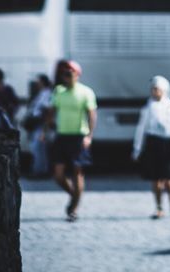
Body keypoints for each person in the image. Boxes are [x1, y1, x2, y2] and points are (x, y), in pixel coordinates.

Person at [132, 75, 170, 218]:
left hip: (168, 144)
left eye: (157, 89)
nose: (154, 92)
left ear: (164, 90)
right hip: (153, 144)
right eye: (152, 89)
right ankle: (159, 207)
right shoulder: (148, 108)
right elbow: (141, 129)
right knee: (156, 178)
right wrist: (137, 148)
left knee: (168, 178)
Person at [48, 59, 97, 221]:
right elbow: (52, 111)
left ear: (77, 75)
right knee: (58, 175)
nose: (67, 76)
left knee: (77, 173)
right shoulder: (58, 91)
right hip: (62, 136)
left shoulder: (86, 92)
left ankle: (74, 208)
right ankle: (74, 195)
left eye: (71, 73)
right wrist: (44, 130)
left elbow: (91, 115)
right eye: (65, 74)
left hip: (78, 137)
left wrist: (89, 136)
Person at [24, 73, 53, 177]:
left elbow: (46, 111)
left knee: (38, 148)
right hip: (37, 125)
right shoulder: (41, 93)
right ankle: (40, 169)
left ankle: (40, 171)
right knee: (37, 148)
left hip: (41, 125)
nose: (37, 84)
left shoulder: (47, 93)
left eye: (38, 81)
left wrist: (45, 128)